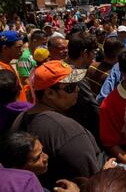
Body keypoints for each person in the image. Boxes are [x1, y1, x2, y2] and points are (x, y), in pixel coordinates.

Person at [10, 61, 101, 189]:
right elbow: (94, 181)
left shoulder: (21, 118)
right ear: (50, 94)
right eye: (70, 87)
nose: (78, 89)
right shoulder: (67, 131)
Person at [0, 31, 24, 100]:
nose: (22, 50)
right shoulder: (1, 70)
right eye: (19, 47)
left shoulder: (7, 64)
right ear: (5, 48)